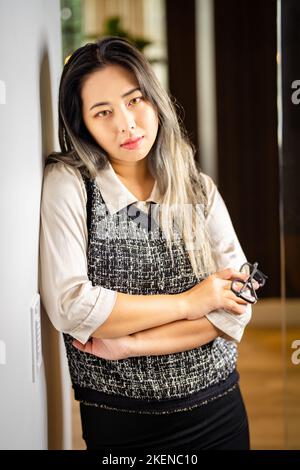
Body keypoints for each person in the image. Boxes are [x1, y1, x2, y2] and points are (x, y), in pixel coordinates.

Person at [39, 36, 258, 451]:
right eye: (102, 112)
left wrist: (131, 344)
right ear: (82, 123)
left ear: (154, 100)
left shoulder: (198, 188)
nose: (126, 124)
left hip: (220, 409)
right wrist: (191, 303)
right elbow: (74, 306)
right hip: (122, 424)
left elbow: (237, 308)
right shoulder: (71, 184)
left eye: (134, 100)